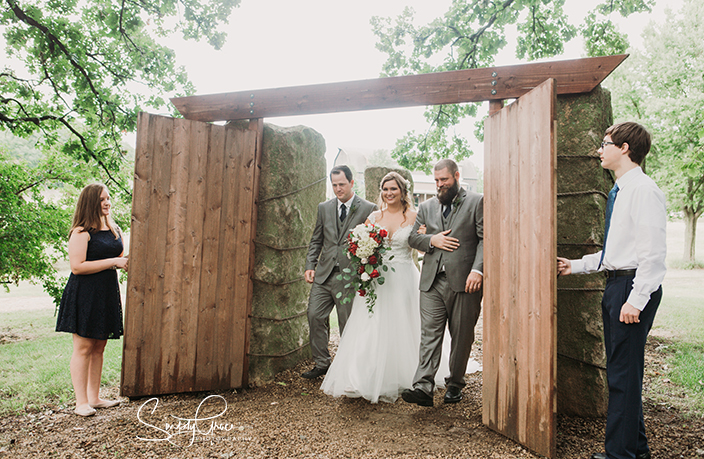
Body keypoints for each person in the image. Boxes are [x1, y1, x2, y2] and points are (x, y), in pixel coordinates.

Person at [557, 122, 666, 459]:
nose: (598, 150)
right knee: (623, 374)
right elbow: (616, 252)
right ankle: (637, 449)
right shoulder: (621, 190)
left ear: (625, 148)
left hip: (631, 290)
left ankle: (620, 455)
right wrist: (574, 265)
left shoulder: (643, 191)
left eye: (605, 144)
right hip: (617, 284)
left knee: (622, 376)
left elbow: (653, 255)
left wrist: (635, 299)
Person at [320, 172, 454, 403]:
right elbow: (358, 244)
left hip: (403, 277)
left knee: (403, 322)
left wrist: (429, 238)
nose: (389, 193)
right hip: (375, 277)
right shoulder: (373, 216)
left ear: (403, 191)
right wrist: (362, 256)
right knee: (370, 323)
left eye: (393, 189)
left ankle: (406, 372)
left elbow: (422, 248)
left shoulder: (415, 216)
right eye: (385, 189)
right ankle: (361, 375)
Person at [402, 159, 483, 407]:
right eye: (436, 180)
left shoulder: (477, 202)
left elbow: (485, 238)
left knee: (461, 337)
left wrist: (478, 270)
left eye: (444, 180)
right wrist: (432, 240)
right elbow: (413, 238)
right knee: (429, 334)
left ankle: (455, 384)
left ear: (456, 176)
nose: (439, 185)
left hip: (465, 281)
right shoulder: (425, 206)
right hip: (431, 282)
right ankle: (423, 386)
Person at [56, 183, 129, 417]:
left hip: (106, 292)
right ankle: (81, 403)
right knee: (84, 347)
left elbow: (118, 256)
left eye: (108, 198)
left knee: (100, 346)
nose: (107, 203)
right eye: (101, 200)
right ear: (90, 203)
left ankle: (95, 398)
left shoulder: (113, 227)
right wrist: (114, 263)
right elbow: (77, 267)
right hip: (85, 293)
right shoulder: (81, 231)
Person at [302, 165, 377, 379]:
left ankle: (349, 367)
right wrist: (310, 265)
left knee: (348, 323)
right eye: (334, 185)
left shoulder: (368, 208)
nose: (338, 189)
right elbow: (317, 240)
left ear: (352, 183)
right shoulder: (324, 208)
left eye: (342, 184)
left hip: (351, 277)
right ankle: (322, 363)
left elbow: (374, 242)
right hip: (324, 274)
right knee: (314, 315)